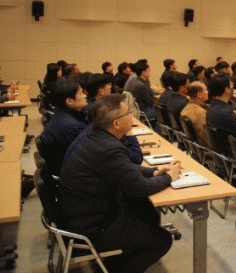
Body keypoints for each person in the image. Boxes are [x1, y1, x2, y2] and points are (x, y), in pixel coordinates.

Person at [59, 94, 180, 273]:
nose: (132, 116)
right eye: (128, 113)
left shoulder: (98, 137)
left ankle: (118, 261)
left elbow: (124, 167)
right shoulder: (108, 148)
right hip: (93, 228)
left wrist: (153, 172)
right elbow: (141, 187)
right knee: (162, 240)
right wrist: (170, 177)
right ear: (116, 123)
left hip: (84, 214)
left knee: (145, 210)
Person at [63, 75, 142, 168]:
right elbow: (135, 159)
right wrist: (129, 133)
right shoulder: (97, 114)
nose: (85, 95)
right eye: (108, 84)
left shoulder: (95, 118)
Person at [38, 79, 88, 176]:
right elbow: (86, 157)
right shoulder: (72, 126)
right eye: (81, 93)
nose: (85, 95)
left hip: (61, 167)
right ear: (69, 101)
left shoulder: (60, 113)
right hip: (68, 175)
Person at [205, 75, 236, 154]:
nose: (233, 89)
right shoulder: (224, 113)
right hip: (235, 154)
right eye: (231, 86)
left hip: (223, 151)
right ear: (227, 90)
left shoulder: (212, 107)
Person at [180, 81, 210, 147]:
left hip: (194, 147)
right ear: (199, 94)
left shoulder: (186, 108)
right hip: (204, 148)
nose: (207, 92)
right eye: (206, 90)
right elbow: (207, 139)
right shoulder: (200, 113)